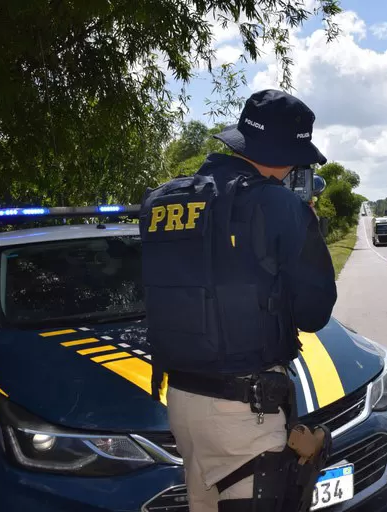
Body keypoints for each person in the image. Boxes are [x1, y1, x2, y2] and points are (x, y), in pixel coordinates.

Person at [139, 89, 338, 512]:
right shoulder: (279, 205)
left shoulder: (161, 200)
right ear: (288, 157)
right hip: (245, 413)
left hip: (182, 403)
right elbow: (314, 313)